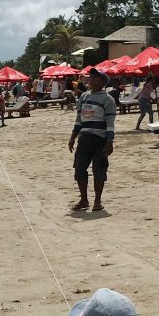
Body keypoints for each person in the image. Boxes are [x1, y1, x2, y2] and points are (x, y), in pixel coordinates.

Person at [68, 68, 115, 212]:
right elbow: (79, 119)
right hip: (84, 138)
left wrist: (109, 141)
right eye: (90, 77)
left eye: (95, 78)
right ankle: (84, 199)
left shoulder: (108, 99)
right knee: (79, 169)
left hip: (100, 140)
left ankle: (97, 200)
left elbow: (110, 123)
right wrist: (73, 136)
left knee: (99, 170)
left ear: (102, 82)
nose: (91, 80)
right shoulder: (84, 97)